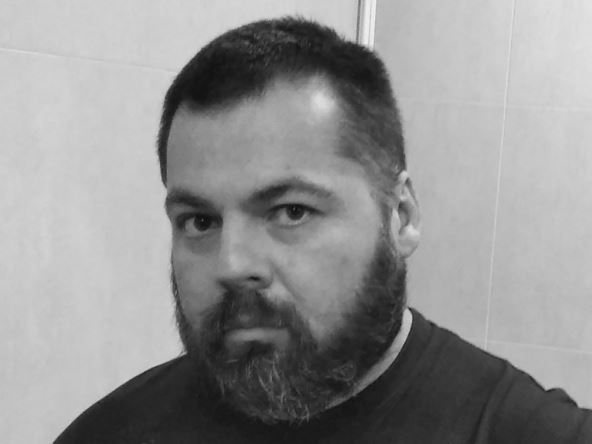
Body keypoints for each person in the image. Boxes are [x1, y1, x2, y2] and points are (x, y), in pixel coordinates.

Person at [54, 17, 592, 444]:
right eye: (200, 222)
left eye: (291, 211)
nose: (232, 264)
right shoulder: (112, 433)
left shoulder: (526, 432)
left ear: (401, 216)